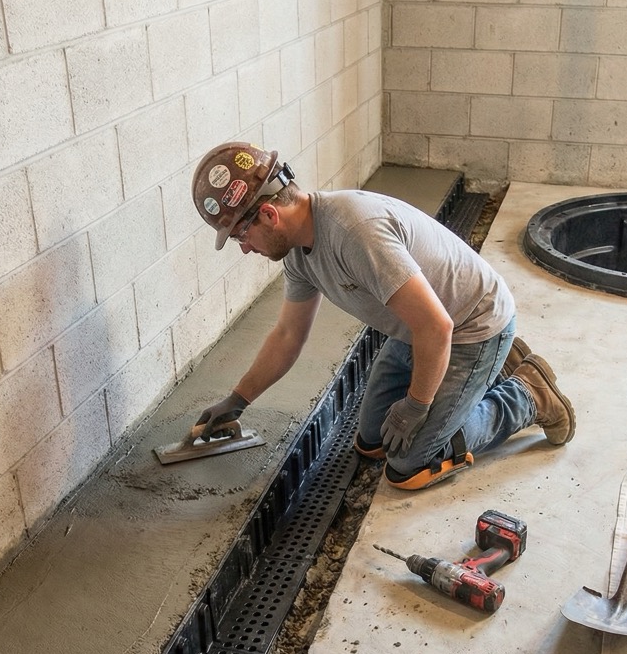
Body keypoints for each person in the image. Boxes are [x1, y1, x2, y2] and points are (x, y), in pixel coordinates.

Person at [191, 141, 574, 491]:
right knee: (372, 443)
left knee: (409, 465)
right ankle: (484, 374)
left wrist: (417, 406)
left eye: (241, 235)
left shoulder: (355, 232)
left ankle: (528, 394)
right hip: (418, 330)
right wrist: (239, 399)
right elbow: (289, 335)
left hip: (471, 327)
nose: (244, 249)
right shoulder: (296, 252)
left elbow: (437, 325)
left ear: (270, 215)